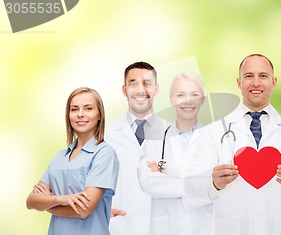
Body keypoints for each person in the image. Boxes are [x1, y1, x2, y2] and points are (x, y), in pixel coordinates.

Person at [185, 54, 281, 235]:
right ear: (239, 82)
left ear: (273, 82)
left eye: (263, 76)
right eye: (249, 76)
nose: (256, 82)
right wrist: (213, 183)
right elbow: (190, 184)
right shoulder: (213, 132)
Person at [26, 87, 119, 235]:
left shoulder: (104, 153)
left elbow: (83, 210)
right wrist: (62, 199)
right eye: (74, 109)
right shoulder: (60, 157)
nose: (80, 114)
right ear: (68, 115)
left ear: (99, 114)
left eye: (88, 108)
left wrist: (47, 203)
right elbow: (31, 201)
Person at [137, 71, 213, 234]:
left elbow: (218, 188)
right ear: (171, 99)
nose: (188, 101)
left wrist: (164, 180)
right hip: (166, 229)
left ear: (203, 99)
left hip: (205, 228)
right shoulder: (154, 140)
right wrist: (200, 184)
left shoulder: (216, 139)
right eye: (180, 95)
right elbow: (148, 182)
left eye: (194, 94)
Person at [106, 62, 170, 235]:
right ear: (124, 90)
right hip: (118, 227)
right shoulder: (105, 134)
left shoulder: (174, 134)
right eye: (133, 83)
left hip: (162, 227)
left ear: (156, 89)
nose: (140, 90)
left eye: (147, 83)